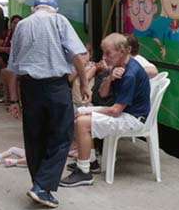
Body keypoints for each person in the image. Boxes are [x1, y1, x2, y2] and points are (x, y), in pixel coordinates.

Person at [7, 0, 89, 209]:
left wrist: (13, 100)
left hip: (29, 87)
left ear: (35, 8)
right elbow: (77, 56)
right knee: (62, 136)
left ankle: (39, 185)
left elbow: (13, 68)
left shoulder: (22, 25)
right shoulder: (59, 21)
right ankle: (42, 187)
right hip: (55, 87)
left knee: (34, 137)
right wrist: (84, 83)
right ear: (54, 8)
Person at [60, 33, 151, 188]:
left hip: (133, 119)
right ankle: (91, 161)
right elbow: (103, 94)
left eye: (108, 53)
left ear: (122, 51)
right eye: (103, 53)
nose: (104, 57)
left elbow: (115, 110)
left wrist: (90, 113)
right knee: (80, 112)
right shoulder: (119, 67)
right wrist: (110, 78)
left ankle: (84, 172)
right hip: (124, 113)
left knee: (82, 121)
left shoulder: (130, 74)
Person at [0, 15, 22, 101]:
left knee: (0, 67)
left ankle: (7, 95)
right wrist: (6, 49)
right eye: (14, 23)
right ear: (11, 24)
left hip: (18, 59)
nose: (16, 25)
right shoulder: (6, 33)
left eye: (18, 23)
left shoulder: (24, 34)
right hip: (6, 56)